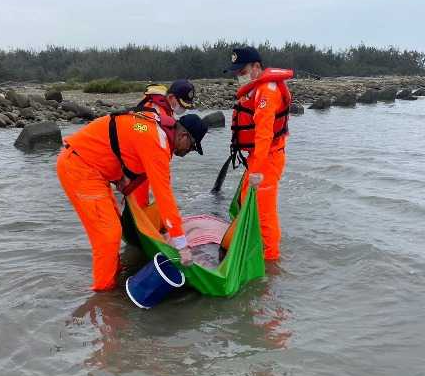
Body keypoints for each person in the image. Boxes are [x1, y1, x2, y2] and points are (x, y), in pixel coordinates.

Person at [57, 107, 208, 291]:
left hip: (92, 168)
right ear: (183, 135)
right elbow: (164, 197)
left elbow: (123, 141)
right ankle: (103, 295)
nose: (188, 152)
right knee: (108, 235)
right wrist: (182, 245)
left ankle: (114, 275)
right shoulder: (157, 143)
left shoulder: (154, 126)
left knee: (115, 228)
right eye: (192, 147)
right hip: (80, 168)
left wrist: (119, 176)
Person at [225, 46, 293, 261]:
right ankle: (252, 248)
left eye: (242, 71)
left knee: (264, 213)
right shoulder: (256, 89)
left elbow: (264, 135)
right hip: (259, 156)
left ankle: (271, 261)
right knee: (246, 199)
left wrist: (256, 171)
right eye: (237, 73)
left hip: (268, 158)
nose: (239, 76)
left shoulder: (267, 91)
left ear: (256, 66)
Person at [131, 79, 196, 207]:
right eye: (182, 105)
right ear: (171, 97)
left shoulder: (165, 109)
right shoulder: (154, 110)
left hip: (144, 161)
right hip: (138, 162)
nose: (183, 109)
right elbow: (136, 128)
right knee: (139, 201)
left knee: (145, 198)